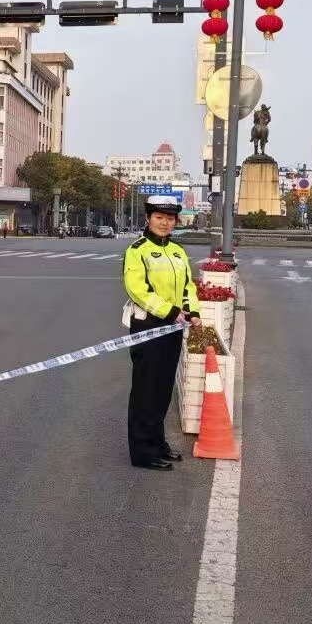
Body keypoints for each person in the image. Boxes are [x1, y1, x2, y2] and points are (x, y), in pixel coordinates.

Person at [121, 195, 200, 470]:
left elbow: (188, 286)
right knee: (146, 390)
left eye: (169, 218)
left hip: (173, 325)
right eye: (159, 217)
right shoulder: (137, 250)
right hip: (148, 326)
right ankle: (143, 452)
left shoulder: (177, 251)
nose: (165, 223)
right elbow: (137, 289)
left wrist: (192, 311)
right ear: (148, 218)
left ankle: (157, 444)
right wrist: (169, 311)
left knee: (163, 389)